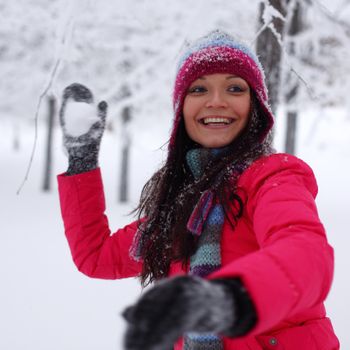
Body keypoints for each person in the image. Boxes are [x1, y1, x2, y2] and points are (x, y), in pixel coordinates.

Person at [57, 30, 340, 350]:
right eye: (199, 88)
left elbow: (305, 254)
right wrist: (82, 164)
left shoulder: (273, 177)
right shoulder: (178, 212)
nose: (216, 101)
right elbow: (97, 257)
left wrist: (230, 299)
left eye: (234, 88)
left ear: (256, 106)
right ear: (181, 110)